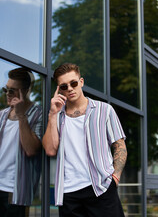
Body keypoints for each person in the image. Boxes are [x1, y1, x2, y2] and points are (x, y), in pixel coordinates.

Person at [42, 63, 127, 217]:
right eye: (64, 86)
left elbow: (120, 145)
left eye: (73, 83)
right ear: (59, 89)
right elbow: (50, 149)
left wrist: (115, 177)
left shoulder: (104, 110)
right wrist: (52, 114)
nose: (69, 88)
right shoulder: (57, 116)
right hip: (69, 195)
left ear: (81, 82)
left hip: (101, 189)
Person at [0, 67, 42, 217]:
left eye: (12, 90)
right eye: (6, 89)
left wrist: (21, 116)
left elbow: (31, 150)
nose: (7, 94)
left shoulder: (39, 114)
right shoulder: (2, 115)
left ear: (24, 91)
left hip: (15, 191)